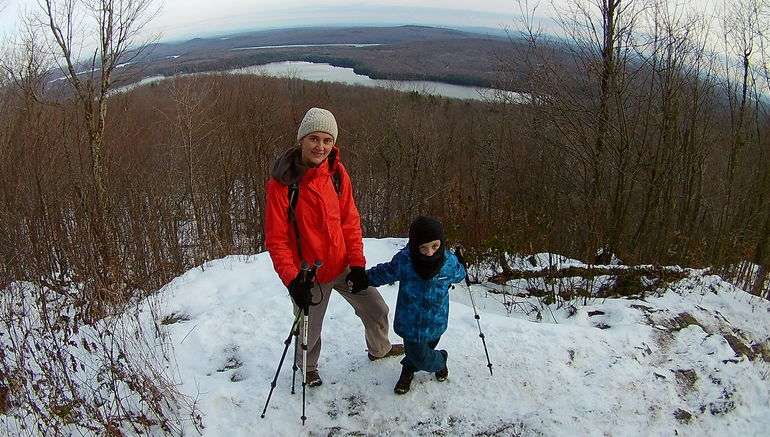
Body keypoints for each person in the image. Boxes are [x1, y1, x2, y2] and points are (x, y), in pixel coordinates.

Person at [264, 107, 404, 388]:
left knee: (376, 309)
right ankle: (307, 367)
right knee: (308, 330)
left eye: (327, 140)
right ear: (301, 139)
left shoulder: (337, 174)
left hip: (341, 265)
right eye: (314, 138)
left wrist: (358, 264)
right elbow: (277, 240)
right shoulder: (282, 185)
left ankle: (381, 349)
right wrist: (293, 280)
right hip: (309, 274)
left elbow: (350, 222)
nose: (321, 146)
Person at [366, 215, 466, 394]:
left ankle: (408, 369)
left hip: (436, 318)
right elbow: (386, 272)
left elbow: (459, 275)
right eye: (423, 248)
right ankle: (440, 361)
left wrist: (461, 265)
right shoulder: (405, 261)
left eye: (435, 246)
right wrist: (364, 278)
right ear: (414, 246)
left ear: (441, 243)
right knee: (420, 355)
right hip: (410, 321)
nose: (429, 253)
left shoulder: (447, 262)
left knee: (426, 349)